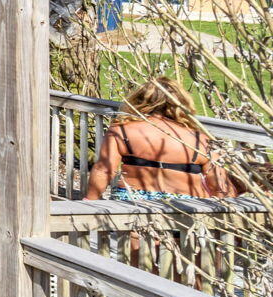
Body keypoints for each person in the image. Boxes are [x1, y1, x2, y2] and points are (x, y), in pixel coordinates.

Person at [83, 76, 238, 203]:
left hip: (133, 201)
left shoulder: (122, 130)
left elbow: (104, 170)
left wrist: (90, 201)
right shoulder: (200, 139)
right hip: (185, 206)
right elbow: (220, 185)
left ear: (138, 101)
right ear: (182, 103)